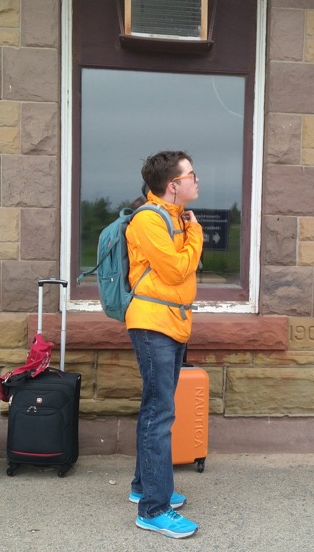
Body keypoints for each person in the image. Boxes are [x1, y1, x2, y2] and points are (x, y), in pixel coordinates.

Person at [125, 150, 203, 539]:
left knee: (155, 409)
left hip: (171, 325)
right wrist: (198, 235)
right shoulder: (147, 220)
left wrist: (189, 231)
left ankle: (144, 486)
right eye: (191, 174)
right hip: (152, 325)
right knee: (161, 415)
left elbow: (177, 268)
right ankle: (153, 509)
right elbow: (175, 270)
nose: (196, 180)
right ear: (173, 186)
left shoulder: (174, 218)